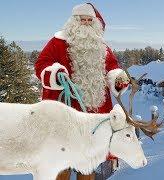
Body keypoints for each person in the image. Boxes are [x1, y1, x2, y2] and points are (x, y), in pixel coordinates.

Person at [34, 3, 129, 180]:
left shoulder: (102, 46)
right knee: (61, 163)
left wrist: (117, 78)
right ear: (73, 22)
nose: (85, 24)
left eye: (89, 20)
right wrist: (56, 74)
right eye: (81, 20)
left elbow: (112, 67)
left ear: (95, 24)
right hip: (64, 115)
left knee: (87, 164)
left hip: (92, 118)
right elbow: (41, 65)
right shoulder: (57, 42)